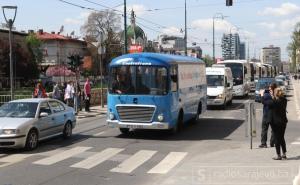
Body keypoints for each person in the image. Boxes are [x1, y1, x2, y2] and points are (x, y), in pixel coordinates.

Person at [263, 88, 288, 160]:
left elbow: (264, 102)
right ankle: (284, 154)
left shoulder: (274, 102)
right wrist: (273, 95)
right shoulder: (284, 100)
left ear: (275, 93)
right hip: (283, 122)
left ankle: (278, 155)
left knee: (277, 139)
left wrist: (262, 95)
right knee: (282, 138)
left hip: (276, 123)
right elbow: (277, 99)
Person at [259, 83, 277, 148]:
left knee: (264, 129)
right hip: (273, 115)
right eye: (269, 88)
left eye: (270, 88)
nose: (269, 89)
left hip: (267, 115)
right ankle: (272, 143)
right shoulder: (276, 95)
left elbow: (263, 101)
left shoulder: (267, 95)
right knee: (274, 130)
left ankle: (264, 143)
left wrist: (261, 95)